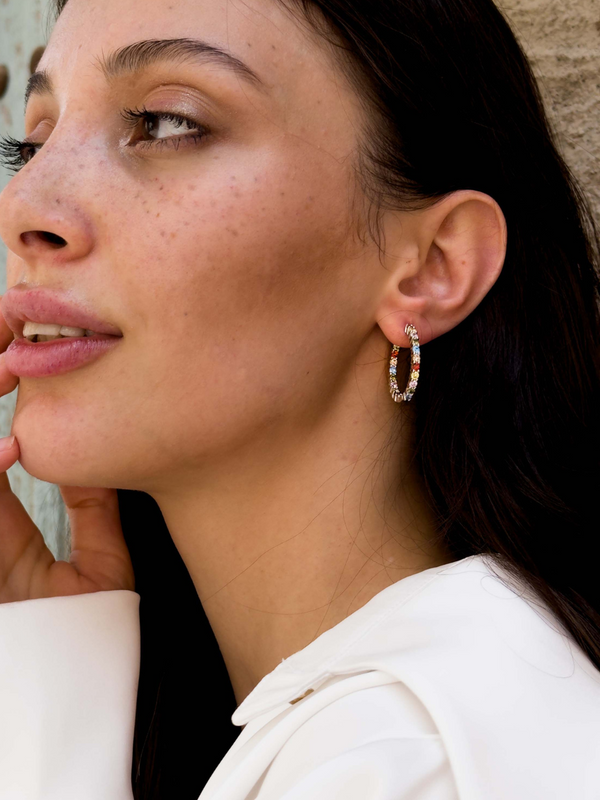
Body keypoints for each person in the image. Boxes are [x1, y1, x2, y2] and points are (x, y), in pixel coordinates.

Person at [0, 0, 599, 797]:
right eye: (30, 143)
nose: (24, 208)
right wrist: (63, 679)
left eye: (168, 122)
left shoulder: (412, 755)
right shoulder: (434, 716)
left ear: (430, 268)